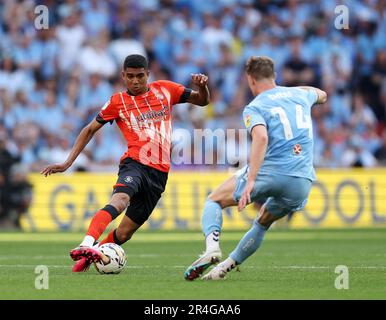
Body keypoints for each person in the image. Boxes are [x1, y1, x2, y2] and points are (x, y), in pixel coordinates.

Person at [41, 54, 210, 272]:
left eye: (140, 76)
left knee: (124, 233)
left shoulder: (166, 89)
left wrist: (203, 87)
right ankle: (86, 243)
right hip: (135, 164)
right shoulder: (117, 102)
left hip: (159, 174)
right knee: (120, 200)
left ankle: (88, 258)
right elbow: (90, 129)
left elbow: (202, 101)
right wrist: (67, 163)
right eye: (130, 77)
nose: (136, 81)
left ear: (148, 74)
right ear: (123, 76)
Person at [184, 56, 327, 281]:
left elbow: (260, 137)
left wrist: (251, 180)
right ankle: (223, 269)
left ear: (250, 80)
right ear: (275, 76)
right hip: (301, 180)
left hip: (271, 172)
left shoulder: (255, 106)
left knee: (214, 200)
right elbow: (322, 94)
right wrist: (289, 91)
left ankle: (212, 248)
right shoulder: (300, 94)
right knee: (262, 222)